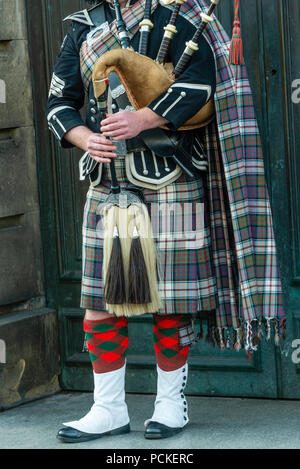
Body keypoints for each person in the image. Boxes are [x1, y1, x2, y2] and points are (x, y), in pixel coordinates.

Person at [46, 0, 285, 443]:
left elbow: (203, 85)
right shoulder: (84, 26)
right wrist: (85, 139)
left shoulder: (187, 16)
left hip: (171, 176)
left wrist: (144, 118)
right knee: (101, 301)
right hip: (108, 182)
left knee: (171, 301)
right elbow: (59, 104)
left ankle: (171, 404)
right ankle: (107, 408)